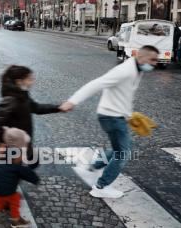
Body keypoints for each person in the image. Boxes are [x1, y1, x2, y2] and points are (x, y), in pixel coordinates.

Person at [60, 45, 160, 199]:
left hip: (116, 116)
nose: (154, 63)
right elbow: (96, 84)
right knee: (123, 153)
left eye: (156, 60)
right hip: (112, 117)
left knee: (117, 148)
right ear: (141, 57)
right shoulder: (125, 71)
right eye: (152, 59)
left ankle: (92, 168)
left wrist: (128, 115)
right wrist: (72, 101)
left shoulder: (136, 69)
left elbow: (123, 94)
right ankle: (101, 186)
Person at [0, 65, 62, 168]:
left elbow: (37, 108)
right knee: (14, 172)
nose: (32, 81)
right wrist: (3, 143)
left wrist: (58, 108)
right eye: (29, 79)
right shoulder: (11, 100)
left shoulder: (22, 95)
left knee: (32, 163)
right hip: (14, 147)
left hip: (23, 143)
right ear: (19, 81)